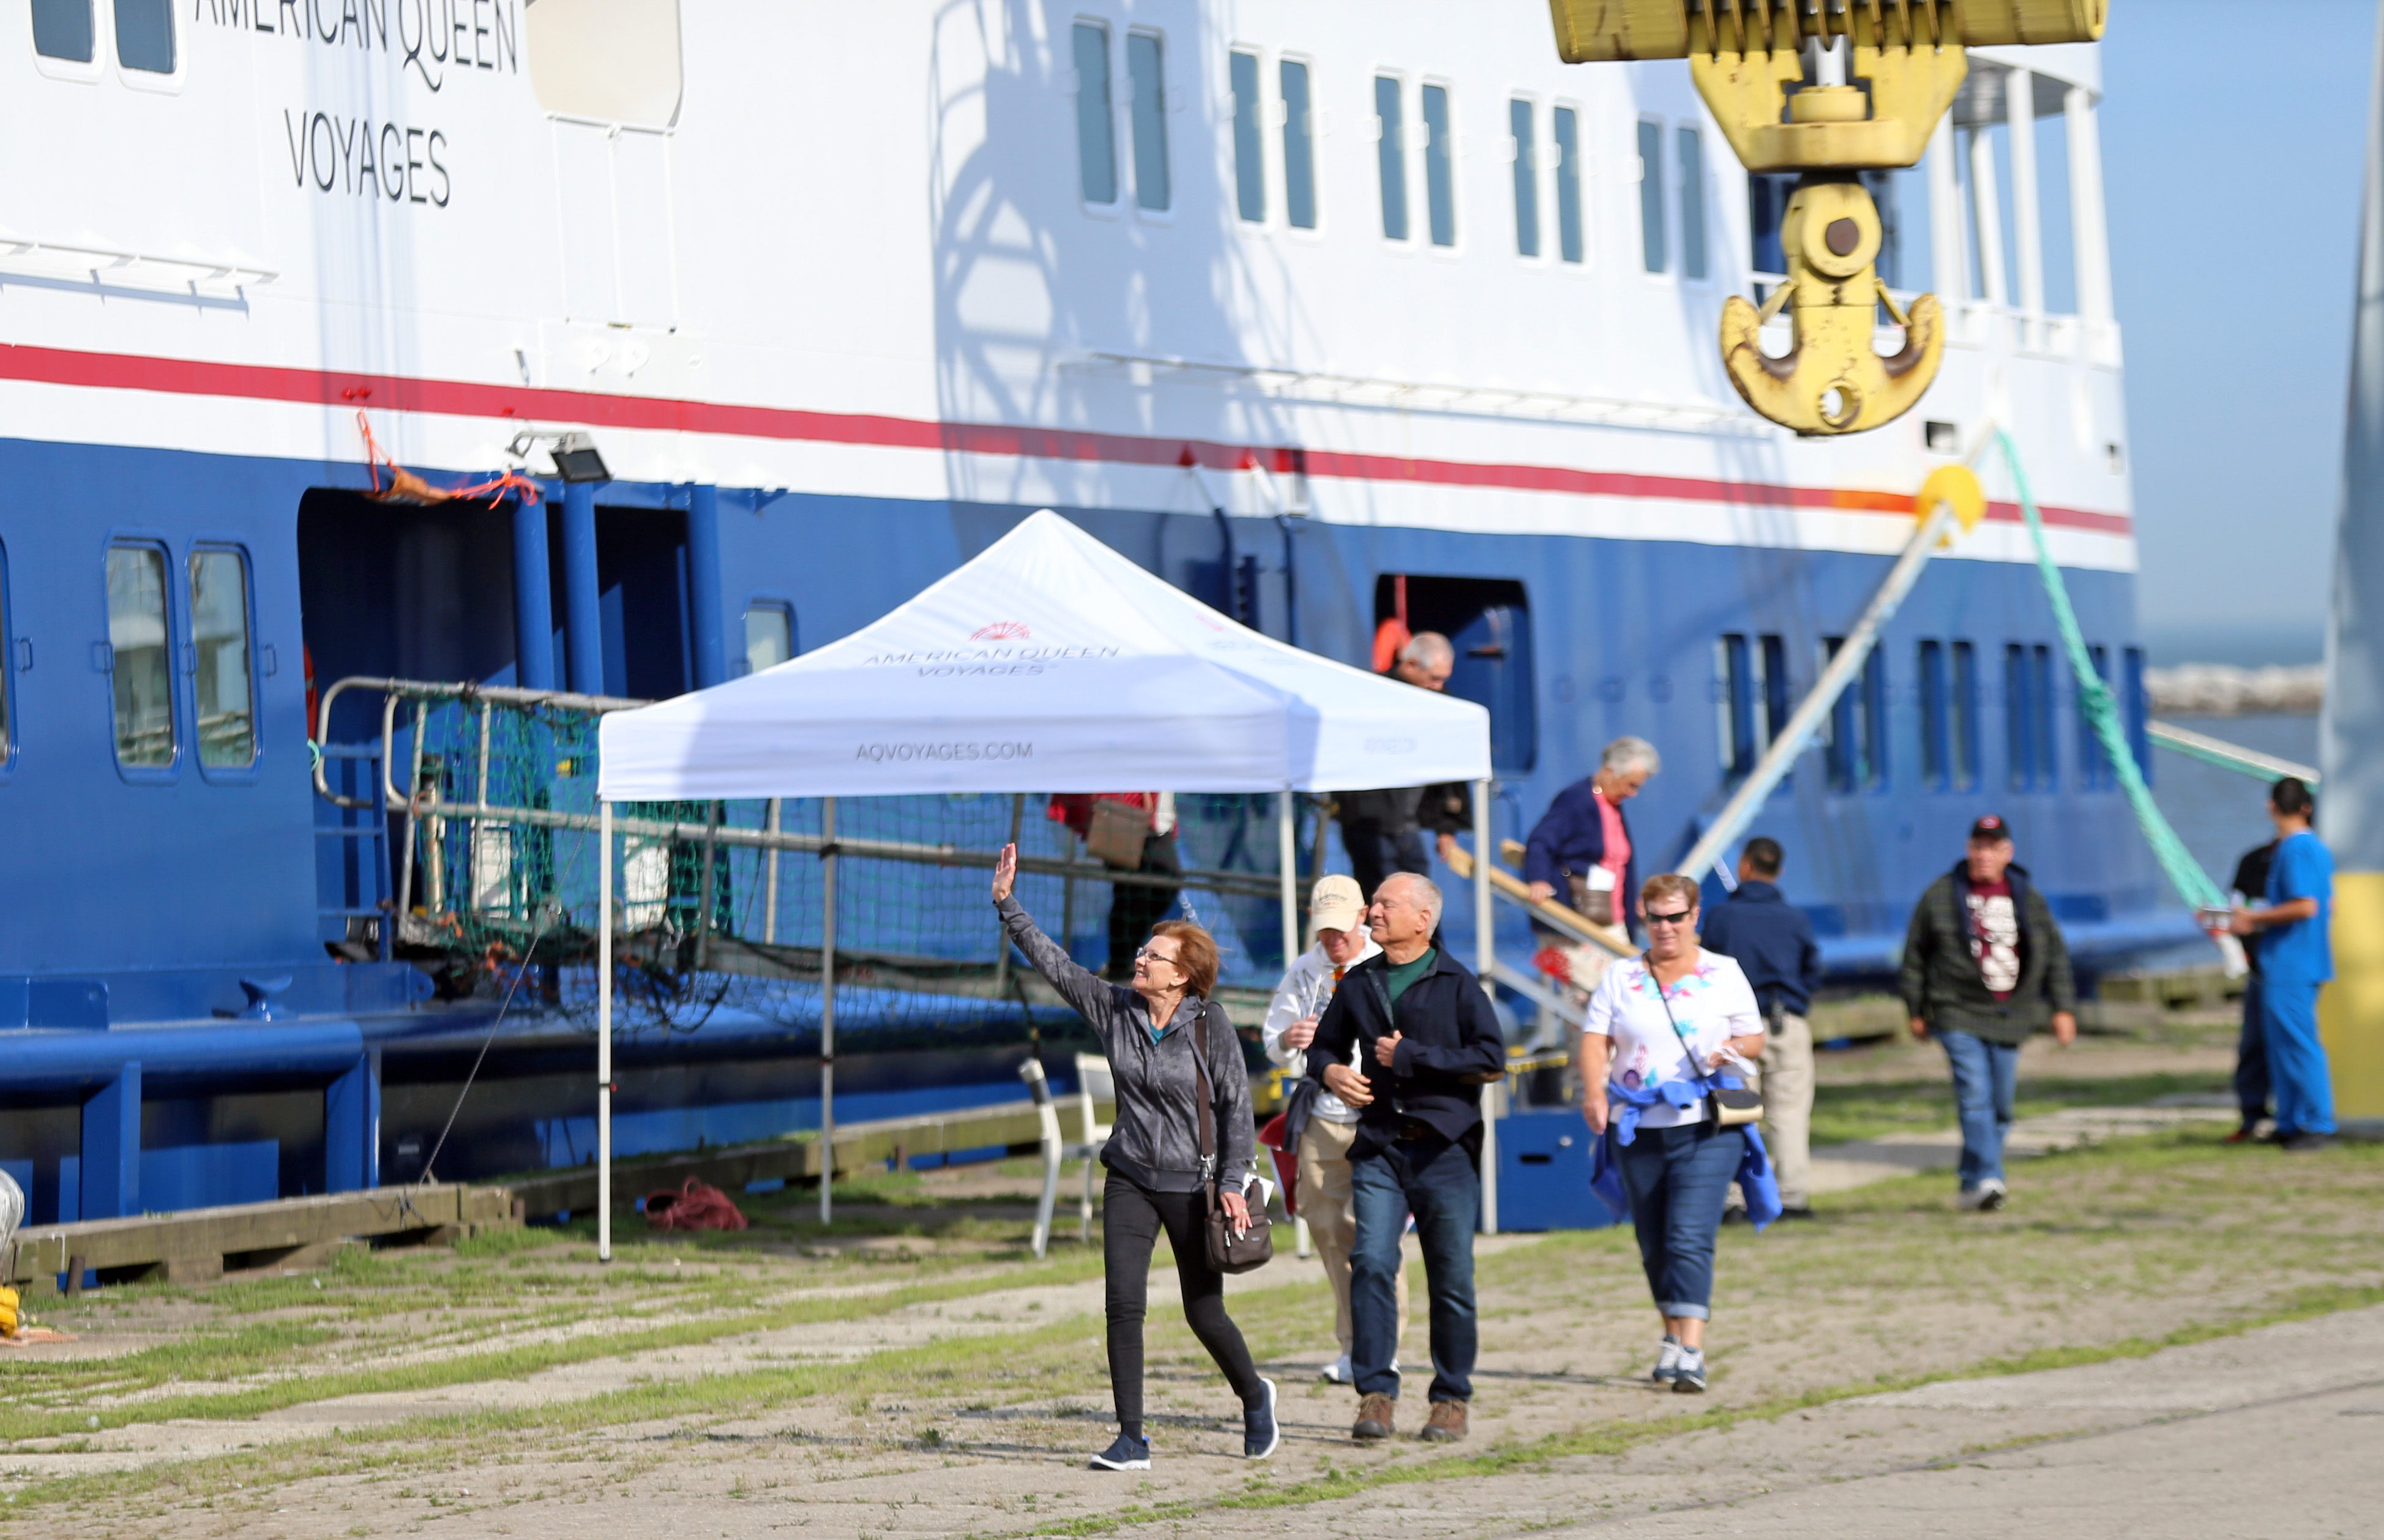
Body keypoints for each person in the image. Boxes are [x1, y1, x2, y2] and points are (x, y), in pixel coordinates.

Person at [990, 843, 1277, 1469]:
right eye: (1144, 951)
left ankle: (1255, 1396)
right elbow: (1056, 965)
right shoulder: (1114, 1006)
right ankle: (1132, 1438)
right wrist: (1008, 905)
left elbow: (1235, 1108)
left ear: (1183, 974)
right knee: (1123, 1303)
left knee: (1203, 1312)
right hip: (1128, 1176)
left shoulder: (1211, 1027)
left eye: (1155, 955)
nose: (1141, 959)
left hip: (1191, 1185)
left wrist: (1232, 1180)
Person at [1306, 872, 1504, 1444]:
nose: (1373, 910)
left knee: (1452, 1278)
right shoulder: (1361, 980)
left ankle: (1450, 1398)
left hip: (1445, 1151)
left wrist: (1411, 1057)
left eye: (1386, 904)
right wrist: (1331, 1071)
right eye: (1374, 903)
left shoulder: (1459, 984)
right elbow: (1321, 1046)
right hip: (1379, 1148)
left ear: (1423, 919)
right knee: (1368, 1259)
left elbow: (1491, 1061)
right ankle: (1375, 1392)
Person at [1580, 873, 1767, 1394]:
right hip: (1638, 1125)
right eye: (1656, 918)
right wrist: (1594, 1091)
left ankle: (1691, 1348)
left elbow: (1752, 1036)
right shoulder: (1620, 976)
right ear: (1643, 918)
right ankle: (1669, 1335)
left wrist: (1726, 1052)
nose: (1666, 928)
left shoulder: (1722, 972)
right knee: (1653, 1239)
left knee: (1688, 1234)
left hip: (1707, 1124)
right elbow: (1595, 1038)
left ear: (1694, 916)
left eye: (1676, 917)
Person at [1261, 874, 1408, 1385]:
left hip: (1377, 1115)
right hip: (1323, 1116)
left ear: (1362, 916)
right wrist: (1289, 1037)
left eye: (1340, 928)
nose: (1332, 940)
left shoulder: (1389, 962)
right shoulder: (1305, 971)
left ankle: (1382, 1348)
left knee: (1375, 1238)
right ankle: (1352, 1346)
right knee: (1327, 1232)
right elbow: (1271, 1041)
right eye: (1323, 930)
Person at [1898, 815, 2077, 1211]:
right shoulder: (1941, 895)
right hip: (1955, 1010)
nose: (1983, 855)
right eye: (1977, 846)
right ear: (1968, 849)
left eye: (1992, 848)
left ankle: (1970, 1183)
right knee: (1974, 1096)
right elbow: (1914, 956)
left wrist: (2063, 1008)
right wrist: (1915, 1008)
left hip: (2009, 1013)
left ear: (2006, 853)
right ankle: (1989, 1176)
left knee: (1999, 1106)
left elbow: (2054, 955)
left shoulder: (2026, 897)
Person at [1697, 836, 1822, 1220]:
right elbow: (1812, 970)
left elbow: (1706, 970)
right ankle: (1791, 1198)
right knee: (1789, 1114)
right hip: (1787, 1023)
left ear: (1745, 866)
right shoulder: (1796, 919)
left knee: (1736, 1113)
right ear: (1779, 872)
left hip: (1735, 1030)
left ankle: (1734, 1200)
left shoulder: (1722, 918)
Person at [2228, 778, 2336, 1152]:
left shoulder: (2294, 850)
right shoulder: (2316, 849)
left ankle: (2318, 1123)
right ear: (2307, 807)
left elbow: (2307, 905)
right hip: (2296, 960)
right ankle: (2290, 1121)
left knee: (2298, 1044)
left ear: (2271, 807)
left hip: (2292, 962)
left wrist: (2254, 919)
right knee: (2281, 1047)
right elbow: (2328, 904)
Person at [1334, 633, 1472, 898]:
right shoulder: (1370, 698)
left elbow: (1448, 768)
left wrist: (1446, 828)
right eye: (1434, 678)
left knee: (1419, 896)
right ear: (1410, 665)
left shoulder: (1441, 704)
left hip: (1408, 824)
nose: (1439, 686)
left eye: (1444, 679)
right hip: (1369, 821)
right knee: (1384, 896)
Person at [1522, 736, 1661, 997]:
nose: (1633, 794)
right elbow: (1541, 840)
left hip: (1611, 920)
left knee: (1623, 995)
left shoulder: (1612, 806)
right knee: (1589, 999)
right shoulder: (1577, 801)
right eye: (1631, 785)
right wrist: (1539, 879)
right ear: (1609, 772)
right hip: (1581, 922)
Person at [1047, 793, 1181, 980]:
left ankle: (1121, 962)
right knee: (1131, 893)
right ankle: (1120, 964)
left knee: (1143, 892)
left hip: (1152, 822)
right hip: (1131, 819)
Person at [2219, 836, 2279, 1143]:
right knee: (2253, 1047)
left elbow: (2310, 907)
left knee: (2291, 1047)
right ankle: (2253, 1116)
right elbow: (2236, 905)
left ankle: (2294, 1119)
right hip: (2259, 968)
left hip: (2290, 969)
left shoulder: (2308, 857)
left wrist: (2257, 918)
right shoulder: (2254, 860)